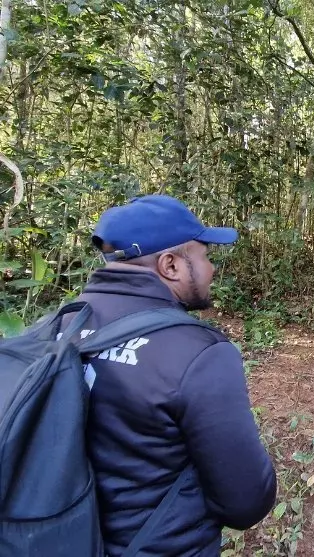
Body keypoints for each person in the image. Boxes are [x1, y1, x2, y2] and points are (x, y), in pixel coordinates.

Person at [67, 194, 277, 556]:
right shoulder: (198, 353)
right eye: (204, 256)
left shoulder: (56, 328)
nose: (211, 269)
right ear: (171, 265)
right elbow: (246, 503)